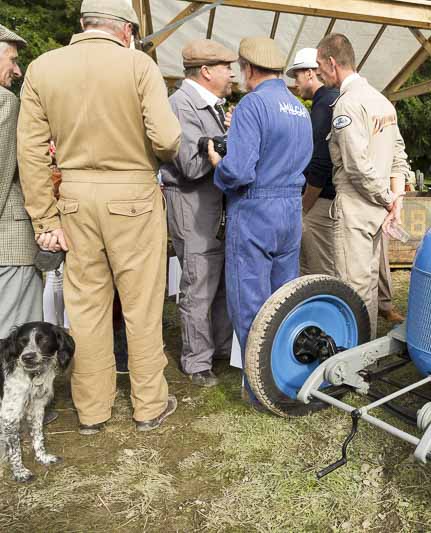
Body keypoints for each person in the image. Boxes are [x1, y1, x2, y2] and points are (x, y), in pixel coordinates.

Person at [17, 0, 182, 434]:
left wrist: (45, 220)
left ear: (83, 24)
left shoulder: (43, 67)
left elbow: (31, 152)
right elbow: (166, 139)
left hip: (72, 199)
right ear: (126, 29)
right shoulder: (138, 65)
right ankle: (149, 405)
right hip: (134, 198)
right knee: (142, 307)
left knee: (85, 310)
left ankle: (91, 411)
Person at [208, 36, 312, 403]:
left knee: (250, 303)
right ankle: (285, 376)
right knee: (283, 299)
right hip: (290, 210)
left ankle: (259, 388)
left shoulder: (252, 105)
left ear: (248, 68)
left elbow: (239, 171)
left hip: (256, 209)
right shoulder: (299, 107)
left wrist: (217, 163)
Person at [315, 33, 411, 338]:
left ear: (332, 63)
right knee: (368, 284)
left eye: (319, 65)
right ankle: (365, 353)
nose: (317, 73)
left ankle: (353, 357)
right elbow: (398, 157)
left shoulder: (347, 105)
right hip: (378, 208)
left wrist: (388, 198)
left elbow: (356, 166)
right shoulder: (382, 101)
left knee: (352, 288)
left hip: (357, 207)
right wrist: (395, 199)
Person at [159, 39, 237, 388]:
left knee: (217, 279)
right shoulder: (180, 104)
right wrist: (225, 141)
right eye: (226, 67)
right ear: (206, 71)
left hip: (212, 205)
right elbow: (190, 165)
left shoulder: (210, 104)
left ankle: (218, 349)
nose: (232, 73)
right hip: (192, 204)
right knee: (198, 280)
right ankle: (196, 361)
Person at [0, 26, 42, 339]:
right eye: (12, 59)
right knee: (13, 343)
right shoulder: (5, 101)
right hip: (8, 245)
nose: (18, 69)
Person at [288, 47, 339, 279]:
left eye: (296, 75)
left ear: (310, 73)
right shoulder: (331, 100)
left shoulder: (323, 105)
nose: (295, 82)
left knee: (318, 273)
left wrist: (305, 205)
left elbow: (321, 162)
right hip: (326, 199)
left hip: (320, 201)